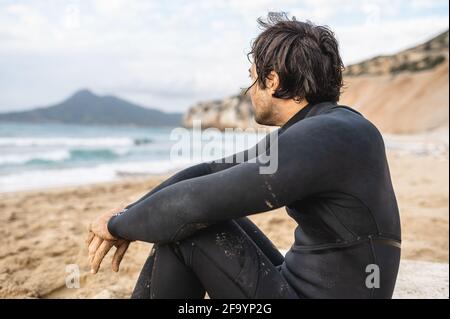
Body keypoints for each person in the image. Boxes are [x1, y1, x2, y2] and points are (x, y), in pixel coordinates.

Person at [86, 13, 401, 299]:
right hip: (302, 284)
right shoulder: (328, 128)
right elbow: (209, 171)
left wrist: (117, 226)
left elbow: (193, 203)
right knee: (196, 219)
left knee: (190, 229)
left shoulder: (327, 135)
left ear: (273, 81)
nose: (250, 90)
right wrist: (129, 212)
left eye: (252, 78)